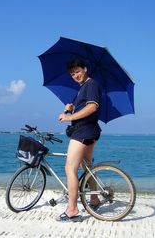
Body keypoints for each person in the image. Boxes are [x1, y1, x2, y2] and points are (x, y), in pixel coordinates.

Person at [57, 58, 102, 222]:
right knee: (86, 166)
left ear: (85, 68)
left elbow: (92, 107)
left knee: (70, 168)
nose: (75, 75)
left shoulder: (91, 85)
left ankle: (73, 209)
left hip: (83, 132)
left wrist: (69, 116)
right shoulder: (83, 88)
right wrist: (68, 109)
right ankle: (95, 199)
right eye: (72, 73)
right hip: (89, 130)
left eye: (77, 71)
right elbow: (82, 108)